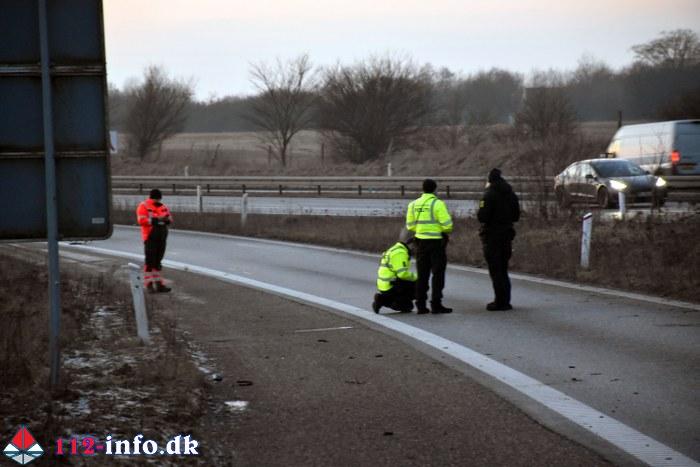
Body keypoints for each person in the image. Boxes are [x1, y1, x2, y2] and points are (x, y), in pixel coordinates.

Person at [405, 179, 453, 314]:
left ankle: (421, 305)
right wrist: (440, 231)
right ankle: (436, 304)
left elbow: (410, 225)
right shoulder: (438, 204)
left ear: (423, 189)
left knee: (422, 274)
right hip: (436, 243)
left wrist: (421, 231)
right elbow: (447, 225)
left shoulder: (413, 204)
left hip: (420, 242)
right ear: (435, 189)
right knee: (438, 274)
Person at [477, 168, 520, 311]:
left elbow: (482, 217)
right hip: (507, 234)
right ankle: (506, 300)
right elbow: (516, 216)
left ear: (489, 179)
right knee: (503, 268)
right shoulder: (511, 194)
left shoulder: (488, 195)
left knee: (495, 270)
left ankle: (499, 301)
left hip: (492, 235)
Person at [372, 229, 417, 314]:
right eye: (416, 245)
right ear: (411, 243)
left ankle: (385, 299)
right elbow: (402, 274)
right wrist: (417, 277)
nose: (416, 248)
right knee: (420, 285)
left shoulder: (395, 249)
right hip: (391, 285)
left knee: (408, 306)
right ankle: (382, 300)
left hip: (386, 285)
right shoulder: (400, 253)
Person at [136, 189, 172, 293]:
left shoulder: (163, 206)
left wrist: (166, 220)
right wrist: (156, 220)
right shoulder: (144, 206)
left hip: (161, 236)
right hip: (150, 237)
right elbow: (141, 220)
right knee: (150, 261)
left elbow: (170, 218)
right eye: (157, 198)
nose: (158, 200)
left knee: (158, 261)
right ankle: (149, 285)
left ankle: (159, 284)